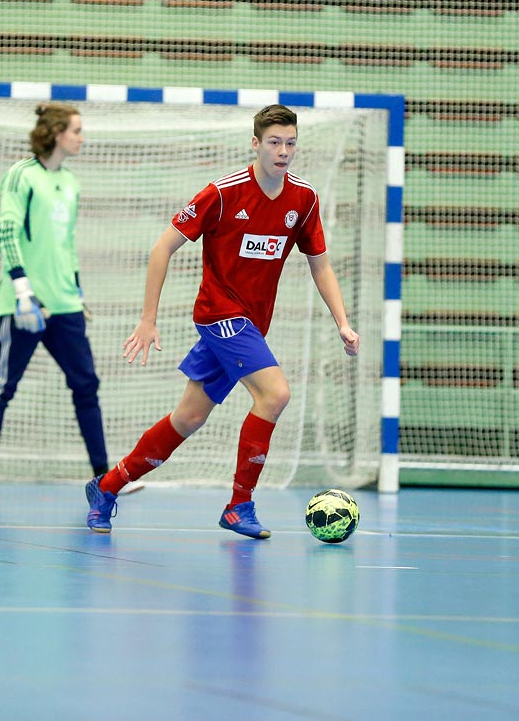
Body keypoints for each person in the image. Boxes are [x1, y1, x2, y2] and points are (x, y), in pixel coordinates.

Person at [85, 104, 360, 537]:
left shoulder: (303, 199)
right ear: (255, 144)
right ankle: (239, 505)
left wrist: (342, 321)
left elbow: (320, 264)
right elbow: (162, 249)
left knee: (188, 419)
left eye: (290, 143)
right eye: (274, 142)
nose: (283, 151)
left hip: (251, 323)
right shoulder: (222, 192)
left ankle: (107, 485)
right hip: (220, 315)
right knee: (275, 395)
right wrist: (148, 319)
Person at [0, 104, 115, 499]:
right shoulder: (21, 175)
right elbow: (7, 232)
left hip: (65, 305)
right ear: (55, 133)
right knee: (4, 386)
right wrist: (21, 289)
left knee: (86, 385)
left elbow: (66, 245)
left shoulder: (71, 184)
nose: (82, 138)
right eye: (77, 130)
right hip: (24, 304)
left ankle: (104, 477)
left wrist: (77, 290)